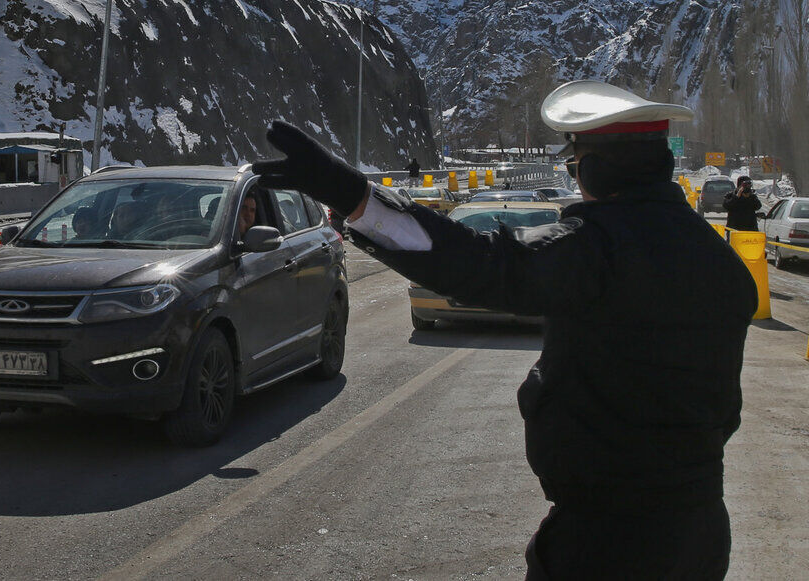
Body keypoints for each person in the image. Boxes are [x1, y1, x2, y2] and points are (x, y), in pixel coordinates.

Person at [254, 80, 754, 580]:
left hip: (610, 537)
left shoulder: (599, 249)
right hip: (699, 527)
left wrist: (353, 195)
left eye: (575, 166)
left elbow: (478, 262)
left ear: (598, 169)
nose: (575, 178)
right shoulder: (721, 262)